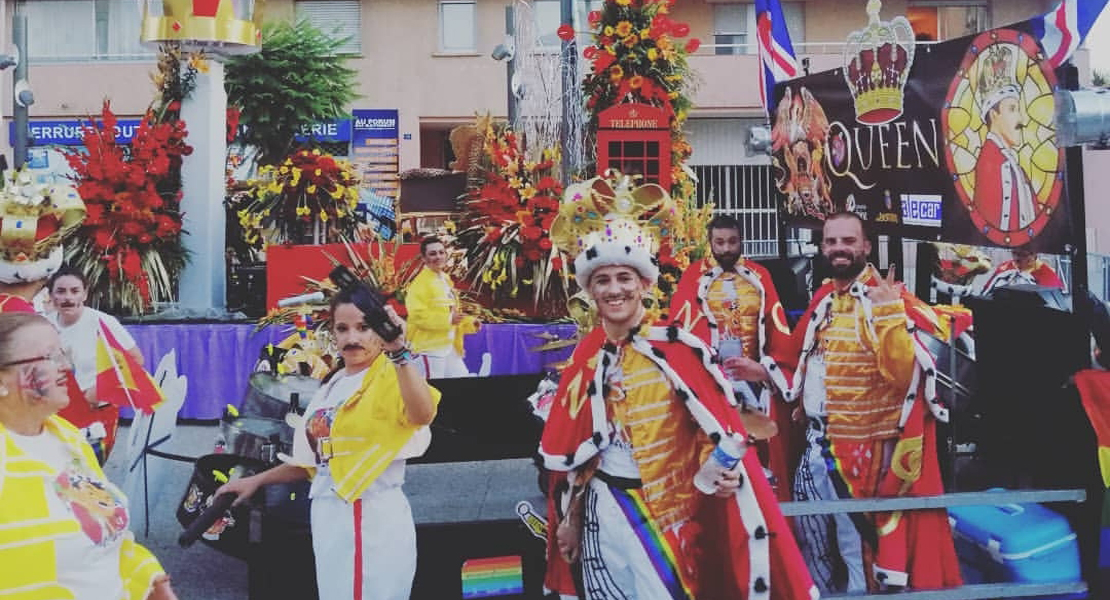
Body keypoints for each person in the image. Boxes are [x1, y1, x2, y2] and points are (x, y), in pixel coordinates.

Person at [541, 175, 817, 599]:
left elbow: (712, 428)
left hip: (665, 516)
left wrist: (719, 470)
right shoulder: (585, 360)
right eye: (603, 280)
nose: (615, 289)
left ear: (645, 285)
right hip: (602, 510)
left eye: (624, 278)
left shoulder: (678, 350)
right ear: (590, 291)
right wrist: (570, 518)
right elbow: (577, 452)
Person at [216, 287, 440, 600]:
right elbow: (313, 463)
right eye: (342, 328)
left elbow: (422, 414)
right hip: (330, 518)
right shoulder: (332, 384)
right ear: (331, 331)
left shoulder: (389, 376)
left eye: (364, 327)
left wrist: (400, 353)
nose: (353, 339)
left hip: (369, 520)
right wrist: (256, 481)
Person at [786, 212, 961, 593]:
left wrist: (888, 313)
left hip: (861, 453)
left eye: (848, 241)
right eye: (831, 241)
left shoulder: (889, 299)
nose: (838, 249)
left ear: (866, 246)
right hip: (815, 446)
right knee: (811, 540)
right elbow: (801, 360)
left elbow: (903, 378)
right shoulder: (826, 299)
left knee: (857, 551)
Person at [0, 312, 176, 600]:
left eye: (63, 355)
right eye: (50, 357)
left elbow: (106, 530)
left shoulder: (66, 437)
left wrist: (148, 578)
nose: (65, 367)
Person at [670, 214, 799, 501]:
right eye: (720, 243)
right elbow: (682, 329)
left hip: (754, 379)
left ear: (741, 241)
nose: (726, 249)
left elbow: (777, 328)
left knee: (761, 454)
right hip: (712, 381)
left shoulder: (760, 276)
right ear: (710, 243)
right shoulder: (693, 275)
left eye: (732, 242)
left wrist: (766, 370)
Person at [45, 264, 145, 462]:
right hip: (58, 412)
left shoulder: (102, 322)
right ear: (51, 295)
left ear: (85, 294)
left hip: (98, 411)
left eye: (75, 291)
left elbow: (135, 361)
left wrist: (99, 390)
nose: (68, 298)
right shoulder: (44, 324)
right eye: (61, 291)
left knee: (91, 469)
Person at [972, 44, 1035, 235]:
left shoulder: (1007, 161)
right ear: (994, 115)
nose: (1021, 120)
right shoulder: (995, 163)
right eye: (1012, 109)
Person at [404, 236, 480, 378]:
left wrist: (469, 322)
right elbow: (418, 316)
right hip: (429, 349)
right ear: (424, 258)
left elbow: (452, 311)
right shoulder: (420, 283)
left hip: (449, 347)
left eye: (441, 252)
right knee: (431, 393)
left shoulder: (445, 279)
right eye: (432, 254)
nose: (438, 257)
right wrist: (449, 319)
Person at [979, 246, 1064, 295]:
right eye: (1014, 253)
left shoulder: (1047, 275)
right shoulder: (1004, 267)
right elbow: (986, 291)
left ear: (1034, 254)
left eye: (1022, 255)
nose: (1016, 258)